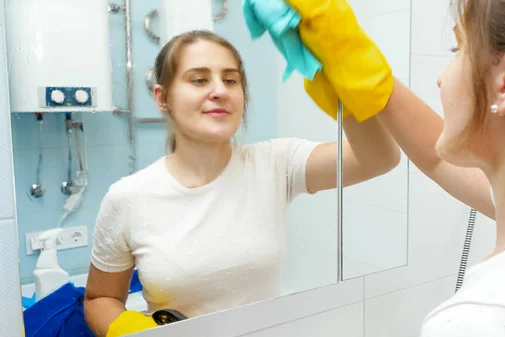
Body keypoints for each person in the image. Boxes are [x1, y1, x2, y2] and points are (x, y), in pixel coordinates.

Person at [286, 0, 505, 335]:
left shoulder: (486, 320)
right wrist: (367, 76)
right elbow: (438, 160)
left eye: (458, 47)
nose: (440, 77)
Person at [82, 30, 401, 336]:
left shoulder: (277, 163)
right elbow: (99, 299)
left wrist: (341, 86)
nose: (219, 89)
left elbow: (379, 157)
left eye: (231, 80)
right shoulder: (127, 197)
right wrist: (129, 329)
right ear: (162, 98)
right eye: (199, 79)